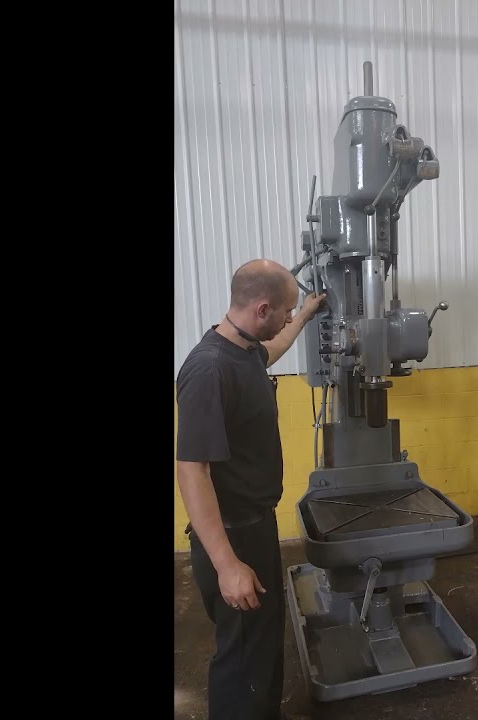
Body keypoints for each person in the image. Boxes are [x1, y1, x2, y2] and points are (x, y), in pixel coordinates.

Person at [175, 258, 326, 720]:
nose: (286, 318)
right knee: (241, 660)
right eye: (285, 310)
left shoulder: (244, 350)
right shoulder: (208, 369)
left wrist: (306, 314)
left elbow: (273, 347)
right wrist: (227, 566)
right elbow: (192, 470)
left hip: (255, 527)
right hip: (232, 535)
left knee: (260, 647)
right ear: (262, 309)